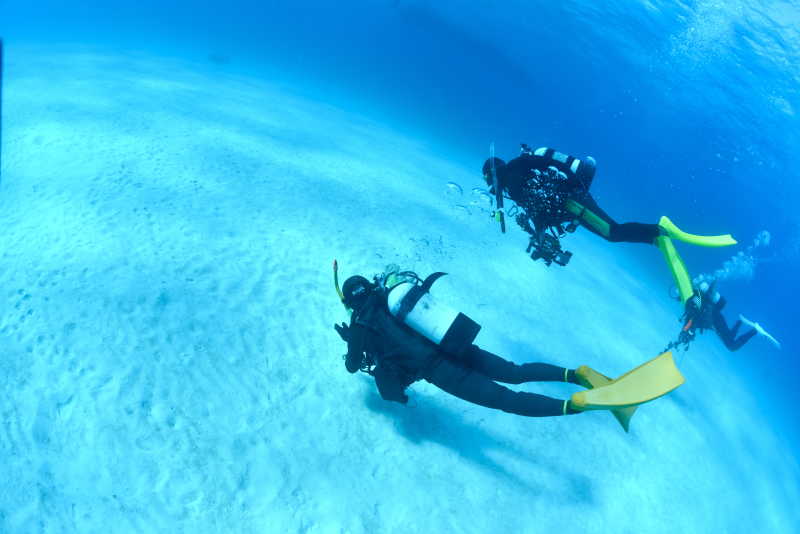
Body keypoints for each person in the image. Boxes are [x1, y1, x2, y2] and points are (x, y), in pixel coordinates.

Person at [333, 266, 685, 431]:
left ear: (350, 302)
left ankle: (577, 404)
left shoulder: (362, 325)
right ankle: (576, 374)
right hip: (456, 347)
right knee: (515, 373)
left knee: (507, 401)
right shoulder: (394, 299)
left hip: (441, 371)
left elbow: (355, 368)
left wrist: (353, 342)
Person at [483, 144, 736, 265]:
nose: (494, 191)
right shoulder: (515, 176)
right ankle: (653, 235)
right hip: (570, 205)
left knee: (613, 233)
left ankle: (658, 233)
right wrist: (539, 235)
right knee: (612, 234)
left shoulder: (513, 176)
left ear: (493, 174)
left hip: (574, 203)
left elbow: (540, 205)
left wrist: (542, 226)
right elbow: (539, 207)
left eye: (489, 183)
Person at [667, 280, 779, 352]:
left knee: (732, 346)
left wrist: (684, 332)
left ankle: (754, 331)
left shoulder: (691, 302)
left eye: (678, 298)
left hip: (714, 320)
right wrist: (686, 332)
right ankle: (739, 322)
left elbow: (691, 319)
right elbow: (692, 319)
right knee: (729, 337)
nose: (679, 300)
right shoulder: (694, 299)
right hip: (716, 317)